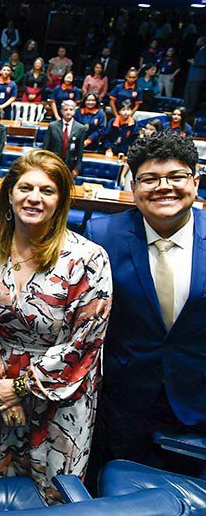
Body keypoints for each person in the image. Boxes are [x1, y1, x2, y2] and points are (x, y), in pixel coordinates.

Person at [0, 149, 112, 502]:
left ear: (61, 200)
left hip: (60, 397)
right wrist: (3, 393)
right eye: (25, 187)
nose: (34, 197)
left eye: (47, 190)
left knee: (50, 497)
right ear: (10, 193)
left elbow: (85, 343)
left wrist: (20, 388)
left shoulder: (89, 258)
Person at [85, 133, 204, 478]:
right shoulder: (102, 234)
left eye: (176, 177)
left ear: (195, 182)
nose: (163, 187)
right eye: (150, 179)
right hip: (124, 402)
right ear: (134, 185)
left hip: (198, 402)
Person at [43, 100, 86, 176]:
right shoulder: (53, 126)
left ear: (74, 111)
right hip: (53, 162)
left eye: (71, 109)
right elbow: (45, 147)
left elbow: (80, 151)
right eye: (65, 110)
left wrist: (77, 168)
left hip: (70, 164)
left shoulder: (81, 128)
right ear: (61, 111)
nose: (68, 112)